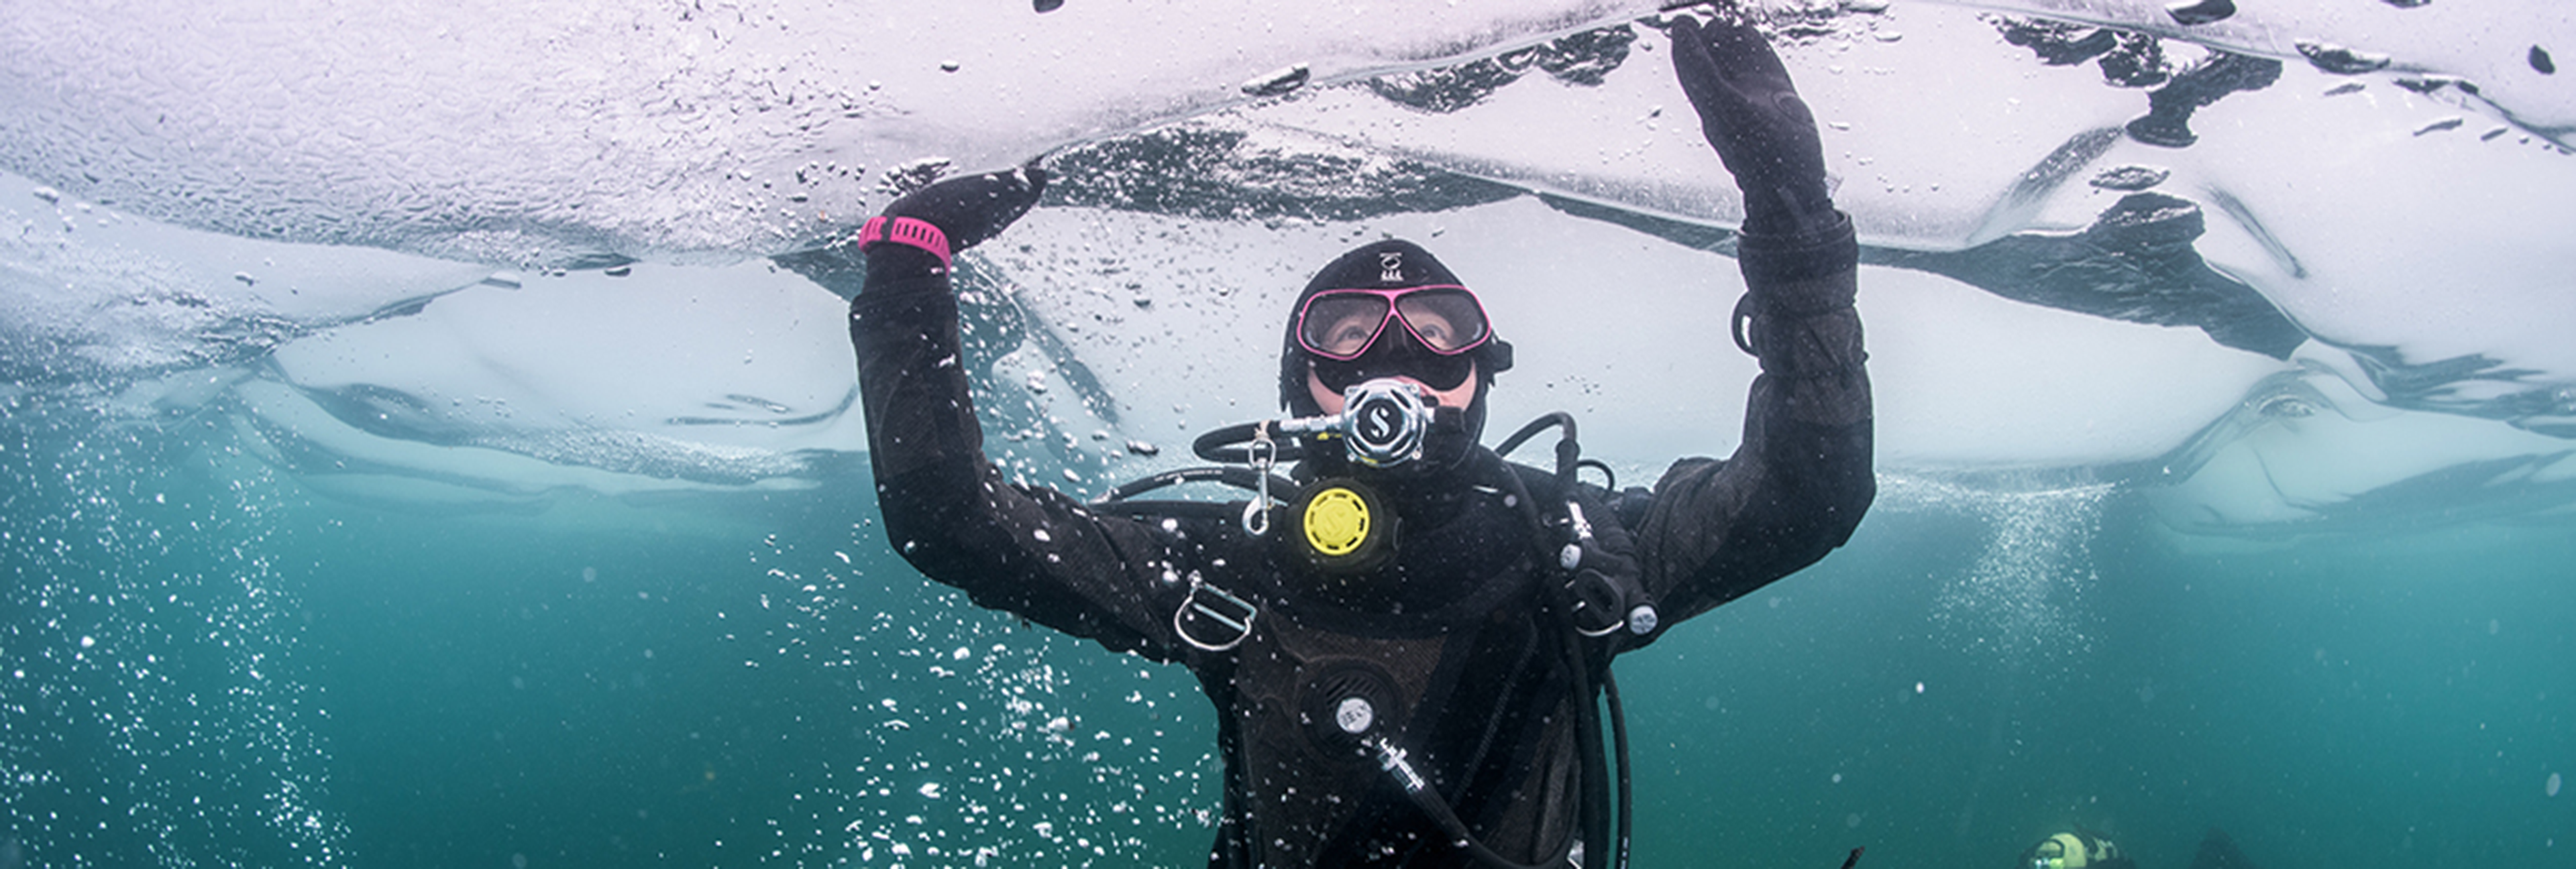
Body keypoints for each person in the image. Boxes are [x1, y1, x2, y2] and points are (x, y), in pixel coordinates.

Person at [839, 9, 1872, 868]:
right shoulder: (1229, 567)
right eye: (1348, 339)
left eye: (1438, 332)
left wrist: (1798, 234)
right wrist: (905, 279)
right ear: (1304, 386)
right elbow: (954, 523)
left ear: (1481, 367)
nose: (1397, 363)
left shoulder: (1582, 551)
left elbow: (1809, 490)